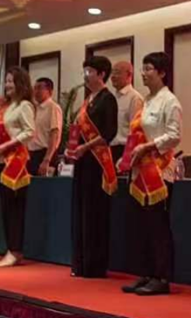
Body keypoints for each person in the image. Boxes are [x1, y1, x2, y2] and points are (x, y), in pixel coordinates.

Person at [121, 52, 182, 296]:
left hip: (160, 172)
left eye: (149, 69)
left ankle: (162, 277)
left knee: (158, 226)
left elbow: (174, 135)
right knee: (142, 226)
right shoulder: (146, 101)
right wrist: (126, 156)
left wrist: (149, 146)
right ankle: (146, 273)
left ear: (162, 73)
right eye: (143, 68)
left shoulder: (170, 101)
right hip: (140, 172)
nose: (143, 73)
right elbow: (136, 135)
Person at [69, 56, 119, 278]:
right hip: (82, 161)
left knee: (94, 213)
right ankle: (80, 263)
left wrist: (85, 147)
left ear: (101, 74)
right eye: (84, 71)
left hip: (97, 162)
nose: (85, 75)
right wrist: (72, 148)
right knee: (80, 210)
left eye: (89, 71)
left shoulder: (108, 99)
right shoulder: (88, 100)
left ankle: (94, 265)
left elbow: (108, 133)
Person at [0, 67, 36, 267]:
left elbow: (29, 132)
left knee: (14, 208)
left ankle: (15, 250)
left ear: (21, 83)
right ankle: (10, 248)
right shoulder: (7, 107)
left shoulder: (25, 106)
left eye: (11, 81)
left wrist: (9, 144)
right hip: (1, 160)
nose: (7, 85)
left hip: (16, 162)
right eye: (6, 81)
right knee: (5, 207)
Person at [28, 77, 63, 176]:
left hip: (45, 154)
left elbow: (54, 135)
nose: (36, 91)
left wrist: (47, 160)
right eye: (34, 88)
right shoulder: (34, 108)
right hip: (31, 154)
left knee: (42, 184)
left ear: (50, 91)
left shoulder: (53, 107)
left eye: (39, 88)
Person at [110, 61, 143, 163]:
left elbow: (135, 131)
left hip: (125, 149)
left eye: (117, 72)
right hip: (110, 149)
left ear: (129, 75)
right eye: (112, 72)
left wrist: (127, 156)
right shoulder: (111, 97)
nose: (113, 76)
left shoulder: (135, 98)